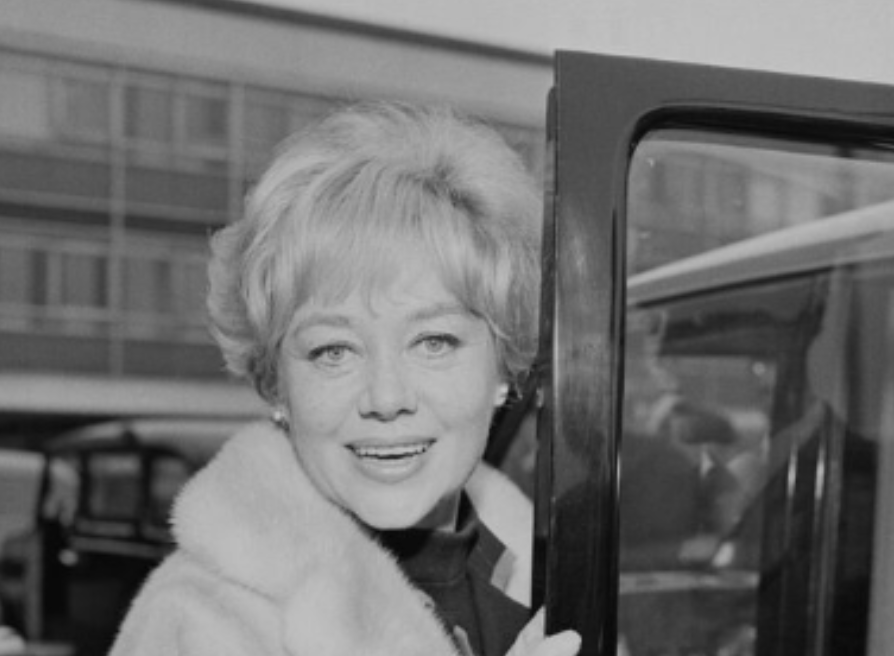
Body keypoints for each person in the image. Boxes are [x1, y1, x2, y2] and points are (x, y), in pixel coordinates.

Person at [106, 102, 581, 656]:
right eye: (334, 351)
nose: (387, 397)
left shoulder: (557, 582)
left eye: (433, 342)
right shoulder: (198, 622)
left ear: (503, 364)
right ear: (274, 382)